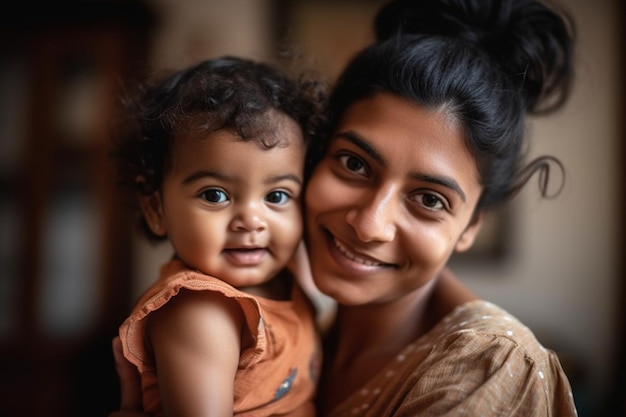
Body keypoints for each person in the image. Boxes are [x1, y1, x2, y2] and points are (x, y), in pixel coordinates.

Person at [110, 0, 579, 415]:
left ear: (471, 225)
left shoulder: (489, 371)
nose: (370, 224)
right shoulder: (309, 329)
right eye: (354, 164)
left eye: (430, 199)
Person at [110, 55, 326, 416]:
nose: (251, 221)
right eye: (215, 195)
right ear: (157, 209)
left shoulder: (285, 277)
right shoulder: (202, 309)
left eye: (277, 196)